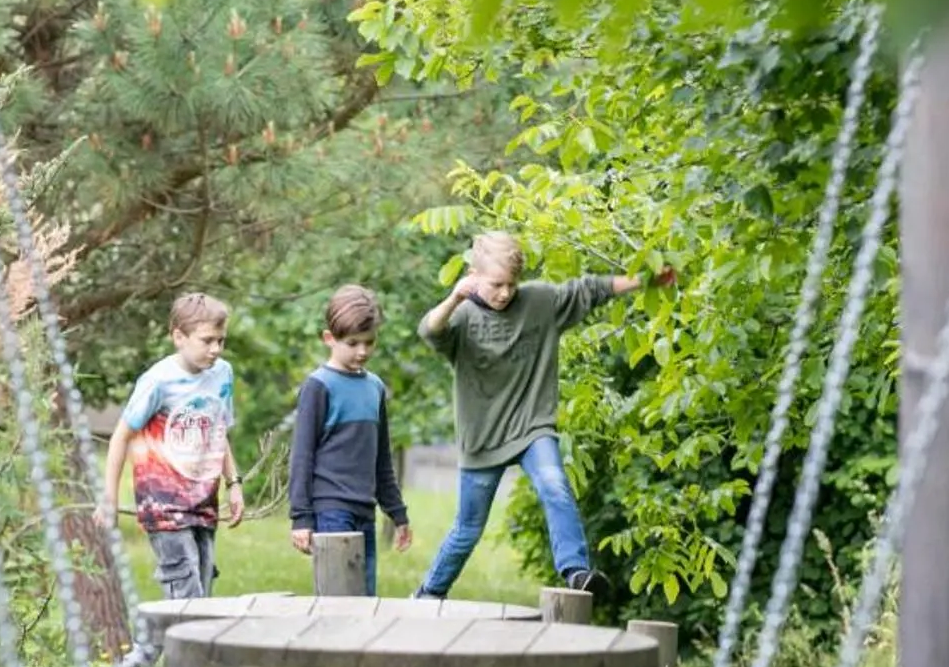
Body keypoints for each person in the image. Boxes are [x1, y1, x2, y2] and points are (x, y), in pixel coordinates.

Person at [414, 231, 674, 602]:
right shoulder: (463, 318)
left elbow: (590, 289)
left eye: (511, 284)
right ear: (474, 275)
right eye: (496, 284)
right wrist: (456, 296)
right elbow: (430, 330)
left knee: (554, 484)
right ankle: (429, 593)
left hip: (532, 427)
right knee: (467, 530)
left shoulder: (539, 301)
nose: (505, 293)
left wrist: (644, 279)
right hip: (483, 438)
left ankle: (576, 571)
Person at [101, 292, 243, 599]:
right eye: (207, 340)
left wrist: (234, 483)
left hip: (204, 501)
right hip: (163, 502)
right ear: (179, 336)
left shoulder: (222, 374)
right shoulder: (158, 381)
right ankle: (160, 647)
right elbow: (120, 437)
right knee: (185, 595)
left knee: (203, 592)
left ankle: (151, 648)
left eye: (221, 340)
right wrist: (109, 498)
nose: (216, 349)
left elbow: (219, 431)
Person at [288, 285, 414, 594]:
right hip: (330, 511)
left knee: (365, 597)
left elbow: (381, 459)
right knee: (337, 597)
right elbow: (302, 456)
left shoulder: (375, 388)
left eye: (369, 342)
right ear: (329, 338)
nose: (362, 351)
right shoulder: (318, 387)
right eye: (352, 343)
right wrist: (301, 518)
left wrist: (397, 513)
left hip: (364, 511)